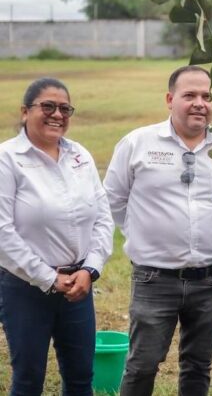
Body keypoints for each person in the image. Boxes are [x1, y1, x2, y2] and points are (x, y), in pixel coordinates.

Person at [103, 65, 212, 396]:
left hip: (210, 277)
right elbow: (113, 199)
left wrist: (208, 238)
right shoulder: (139, 143)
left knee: (198, 366)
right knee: (142, 364)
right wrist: (145, 235)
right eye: (190, 96)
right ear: (170, 99)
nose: (200, 103)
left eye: (207, 96)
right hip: (154, 278)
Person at [0, 77, 114, 395]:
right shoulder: (7, 158)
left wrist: (90, 269)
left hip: (78, 286)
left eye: (65, 108)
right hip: (25, 288)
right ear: (25, 111)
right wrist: (47, 278)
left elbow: (103, 218)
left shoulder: (80, 155)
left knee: (81, 378)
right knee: (28, 379)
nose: (57, 114)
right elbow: (2, 232)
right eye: (47, 106)